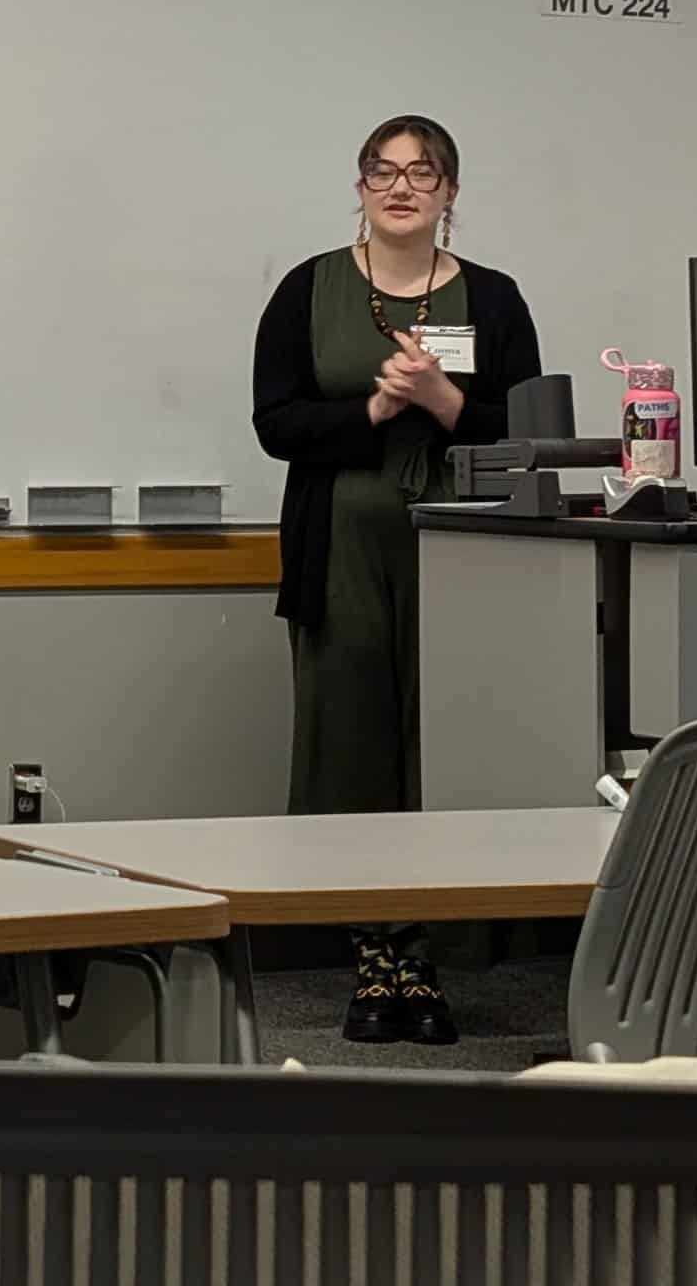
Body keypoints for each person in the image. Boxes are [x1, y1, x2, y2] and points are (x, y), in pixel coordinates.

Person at [251, 115, 542, 1045]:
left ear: (452, 192)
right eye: (384, 171)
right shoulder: (309, 288)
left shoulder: (493, 299)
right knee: (352, 746)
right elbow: (276, 422)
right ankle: (376, 956)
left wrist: (444, 402)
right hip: (343, 542)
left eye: (424, 173)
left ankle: (439, 960)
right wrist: (377, 408)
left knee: (448, 742)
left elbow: (530, 425)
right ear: (361, 185)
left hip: (465, 547)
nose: (402, 187)